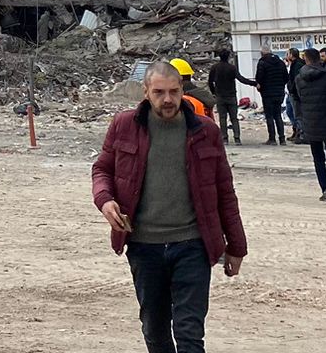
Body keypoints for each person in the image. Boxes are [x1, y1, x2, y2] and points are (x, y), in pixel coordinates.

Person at [92, 59, 247, 353]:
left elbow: (225, 192)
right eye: (159, 92)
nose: (167, 99)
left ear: (182, 90)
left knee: (190, 333)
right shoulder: (124, 125)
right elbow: (102, 170)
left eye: (174, 91)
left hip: (192, 245)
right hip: (143, 246)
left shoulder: (205, 130)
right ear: (146, 92)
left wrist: (236, 246)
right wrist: (105, 200)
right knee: (155, 328)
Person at [294, 47, 326, 205]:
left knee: (318, 159)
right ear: (319, 59)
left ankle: (324, 189)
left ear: (306, 59)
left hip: (311, 123)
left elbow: (299, 98)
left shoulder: (299, 78)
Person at [253, 47, 290, 145]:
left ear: (262, 53)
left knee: (269, 116)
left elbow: (259, 78)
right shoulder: (280, 63)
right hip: (279, 93)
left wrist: (260, 86)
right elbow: (286, 78)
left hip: (267, 93)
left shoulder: (262, 63)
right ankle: (282, 139)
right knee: (278, 115)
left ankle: (272, 138)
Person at [207, 49, 242, 145]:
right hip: (231, 96)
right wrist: (253, 83)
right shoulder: (232, 68)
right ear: (228, 57)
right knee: (234, 118)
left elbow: (210, 82)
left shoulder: (215, 67)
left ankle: (225, 138)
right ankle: (237, 138)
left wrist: (214, 92)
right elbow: (240, 78)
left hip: (220, 96)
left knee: (222, 118)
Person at [285, 47, 305, 142]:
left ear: (292, 55)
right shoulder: (293, 64)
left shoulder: (298, 65)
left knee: (298, 114)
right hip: (291, 93)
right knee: (289, 111)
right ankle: (295, 130)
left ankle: (301, 134)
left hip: (295, 93)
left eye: (288, 54)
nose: (286, 56)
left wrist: (293, 89)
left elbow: (296, 80)